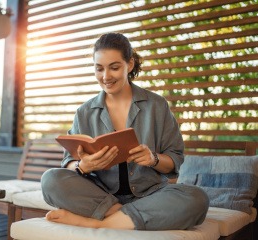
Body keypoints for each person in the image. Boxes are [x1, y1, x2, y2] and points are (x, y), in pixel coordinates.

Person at [41, 32, 209, 231]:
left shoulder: (156, 105)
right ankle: (124, 216)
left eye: (114, 67)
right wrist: (82, 166)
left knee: (197, 198)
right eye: (99, 68)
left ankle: (96, 222)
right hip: (101, 195)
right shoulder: (84, 112)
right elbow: (68, 162)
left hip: (150, 195)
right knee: (50, 179)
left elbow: (175, 159)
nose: (105, 77)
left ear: (129, 65)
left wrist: (153, 158)